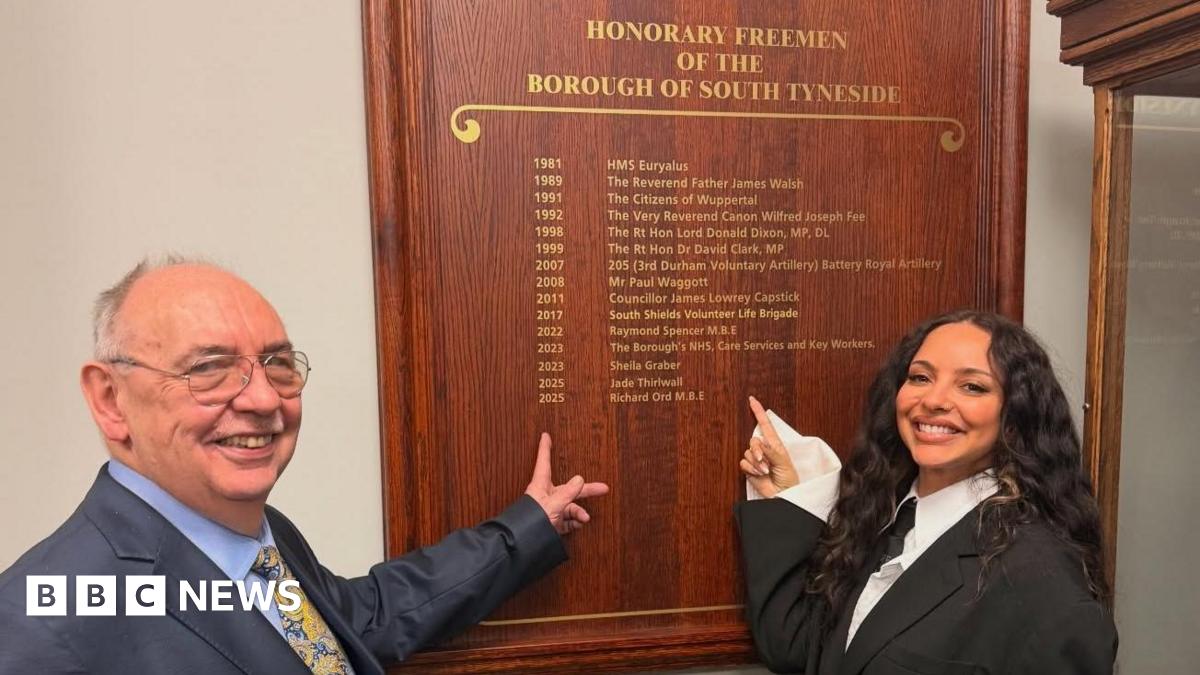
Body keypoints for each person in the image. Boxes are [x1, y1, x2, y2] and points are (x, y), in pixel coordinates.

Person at [0, 258, 608, 675]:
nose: (264, 399)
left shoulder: (258, 542)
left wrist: (528, 527)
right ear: (110, 400)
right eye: (208, 367)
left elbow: (358, 620)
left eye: (277, 364)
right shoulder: (40, 625)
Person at [735, 309, 1116, 674]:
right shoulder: (881, 521)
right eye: (920, 377)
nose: (933, 400)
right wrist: (792, 497)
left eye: (972, 386)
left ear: (1015, 412)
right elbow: (802, 647)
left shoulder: (1043, 581)